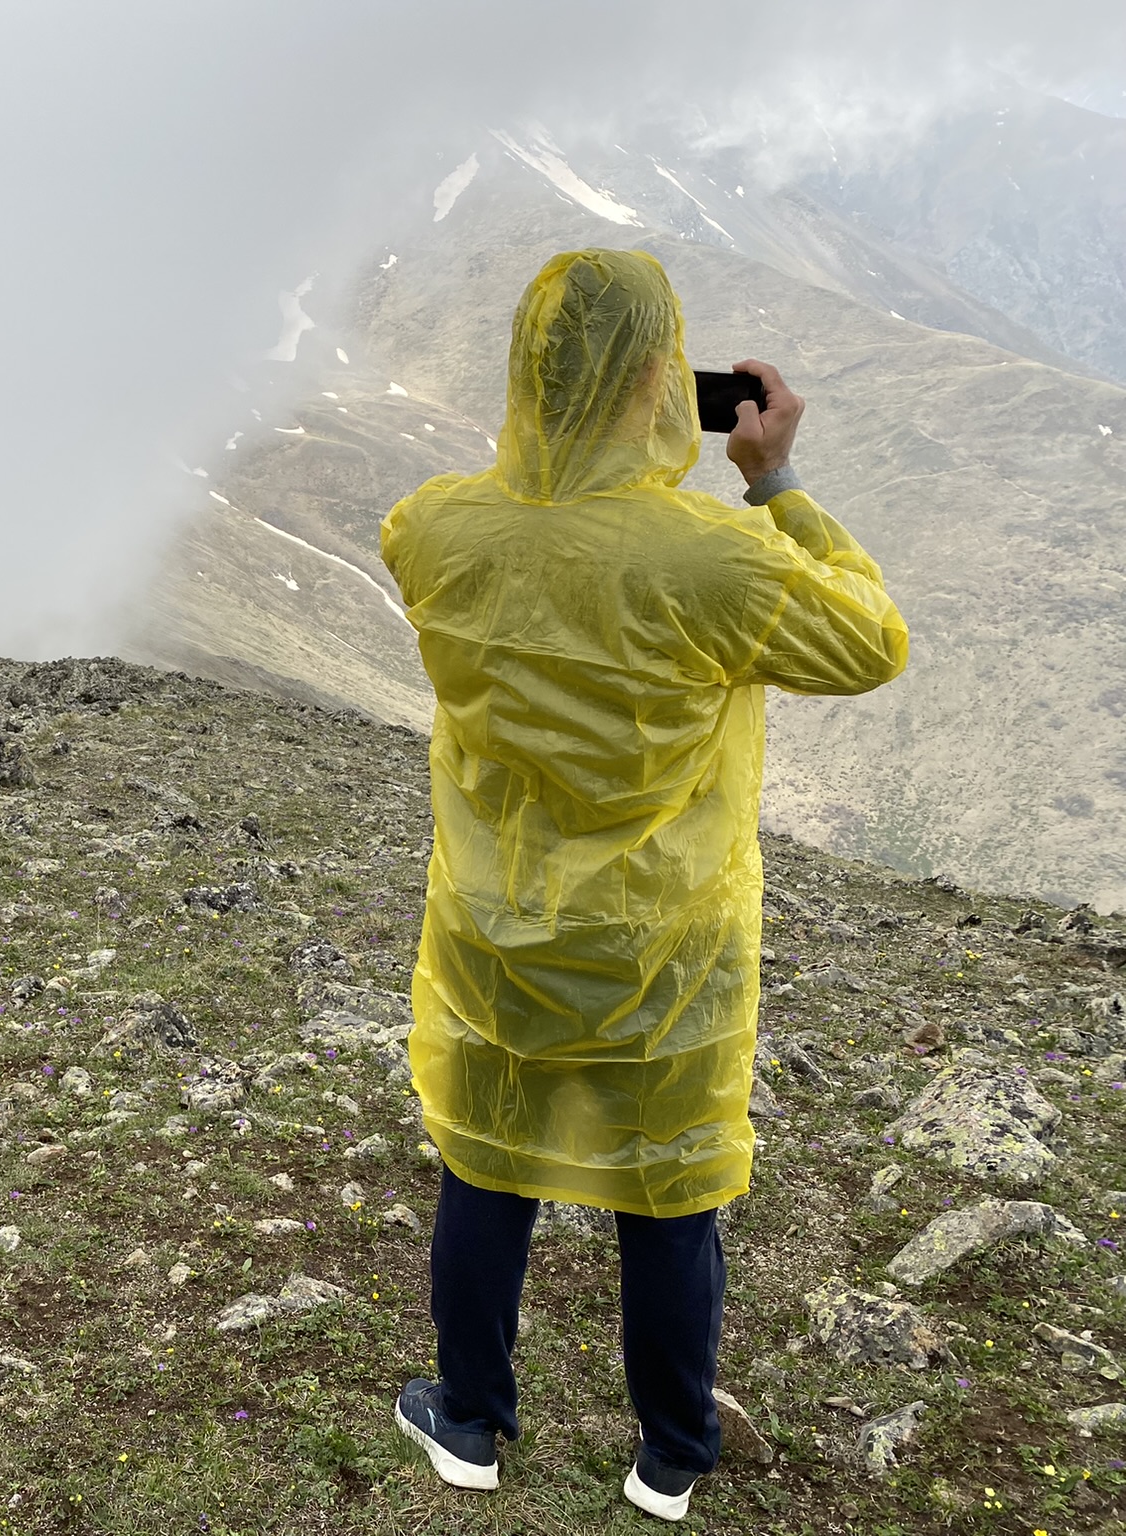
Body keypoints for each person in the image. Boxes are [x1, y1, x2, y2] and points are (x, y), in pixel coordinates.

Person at [377, 248, 908, 1522]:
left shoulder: (429, 525)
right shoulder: (710, 562)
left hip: (496, 933)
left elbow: (511, 559)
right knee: (669, 1196)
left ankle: (466, 1424)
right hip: (662, 950)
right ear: (664, 380)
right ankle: (668, 1454)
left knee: (485, 1171)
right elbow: (869, 642)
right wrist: (771, 479)